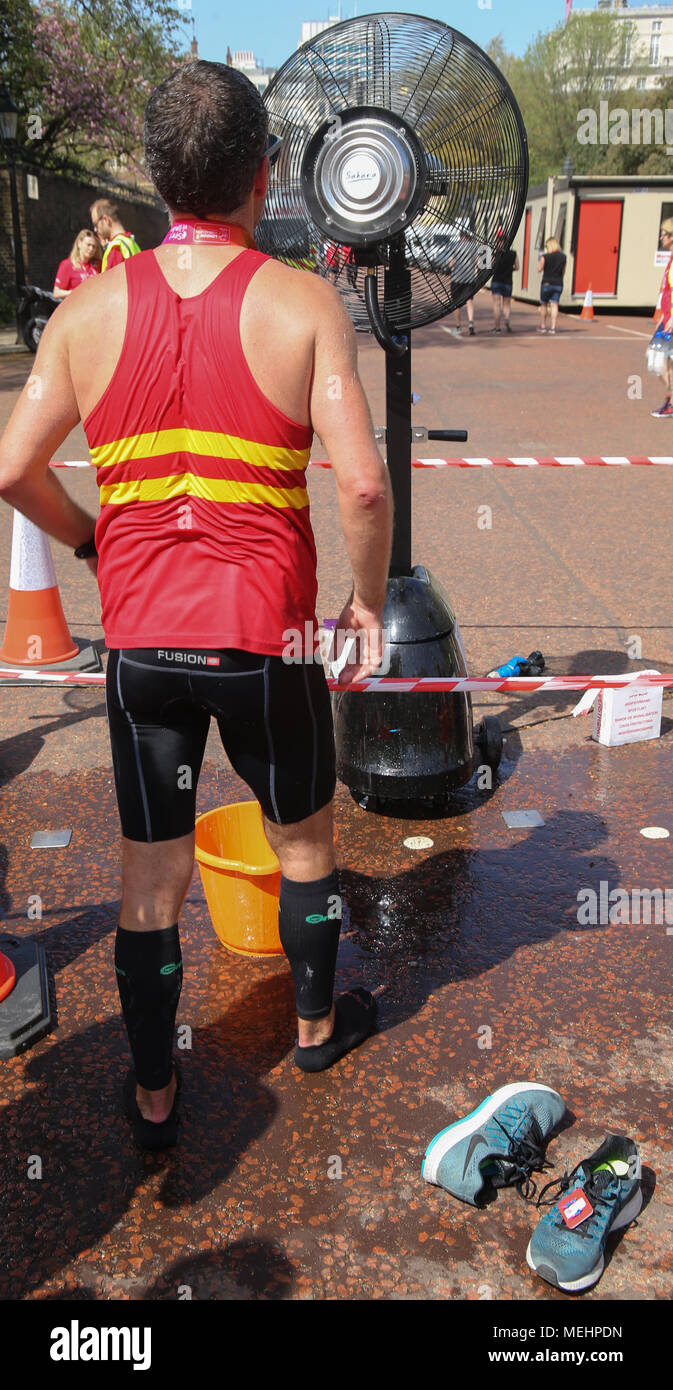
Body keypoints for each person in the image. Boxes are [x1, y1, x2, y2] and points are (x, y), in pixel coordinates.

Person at [0, 60, 392, 1148]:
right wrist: (364, 605)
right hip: (268, 641)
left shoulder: (86, 315)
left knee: (151, 876)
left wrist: (88, 536)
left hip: (141, 648)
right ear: (262, 176)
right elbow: (361, 483)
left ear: (157, 179)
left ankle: (155, 1094)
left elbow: (11, 465)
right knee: (304, 845)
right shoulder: (305, 300)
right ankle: (313, 1028)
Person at [650, 218, 673, 418]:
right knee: (655, 358)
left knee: (666, 361)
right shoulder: (671, 259)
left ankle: (671, 401)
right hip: (667, 317)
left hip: (672, 319)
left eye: (664, 234)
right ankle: (671, 396)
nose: (661, 238)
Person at [89, 198, 141, 271]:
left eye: (95, 224)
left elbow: (111, 282)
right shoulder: (131, 242)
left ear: (106, 220)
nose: (95, 229)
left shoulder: (116, 248)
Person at [53, 229, 101, 298]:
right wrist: (75, 292)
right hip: (76, 306)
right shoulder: (67, 265)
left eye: (94, 246)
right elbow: (56, 293)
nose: (91, 249)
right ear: (79, 243)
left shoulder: (98, 264)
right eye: (88, 245)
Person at [537, 236, 566, 335]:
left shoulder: (545, 256)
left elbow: (539, 269)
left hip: (546, 283)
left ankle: (543, 326)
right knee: (554, 305)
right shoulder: (563, 257)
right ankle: (553, 327)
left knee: (544, 304)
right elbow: (563, 271)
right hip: (558, 283)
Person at [490, 237, 519, 334]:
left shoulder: (496, 254)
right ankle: (506, 319)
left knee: (496, 305)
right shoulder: (513, 254)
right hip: (508, 281)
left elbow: (491, 266)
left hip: (497, 281)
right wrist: (510, 270)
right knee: (506, 304)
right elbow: (517, 267)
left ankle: (497, 327)